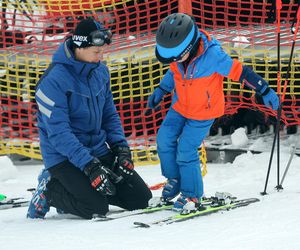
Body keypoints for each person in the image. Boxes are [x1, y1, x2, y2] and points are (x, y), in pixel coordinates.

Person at [147, 13, 279, 212]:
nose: (173, 61)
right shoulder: (178, 56)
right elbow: (173, 71)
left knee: (185, 149)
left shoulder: (213, 56)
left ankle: (192, 195)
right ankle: (174, 179)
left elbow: (241, 72)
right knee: (164, 139)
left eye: (176, 57)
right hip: (180, 106)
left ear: (189, 47)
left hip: (203, 112)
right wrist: (162, 89)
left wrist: (264, 88)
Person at [27, 18, 152, 219]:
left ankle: (83, 191)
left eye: (102, 51)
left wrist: (121, 148)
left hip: (97, 149)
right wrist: (90, 166)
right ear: (80, 47)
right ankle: (50, 189)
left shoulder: (100, 72)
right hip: (64, 157)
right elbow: (59, 134)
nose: (101, 57)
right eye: (96, 52)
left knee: (140, 199)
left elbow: (109, 115)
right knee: (95, 208)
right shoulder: (53, 81)